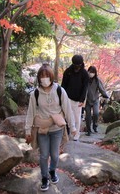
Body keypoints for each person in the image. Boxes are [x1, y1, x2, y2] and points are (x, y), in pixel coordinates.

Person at [25, 64, 76, 192]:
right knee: (43, 156)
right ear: (39, 78)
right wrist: (27, 130)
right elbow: (30, 113)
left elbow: (68, 110)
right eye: (42, 77)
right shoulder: (35, 94)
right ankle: (44, 177)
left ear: (51, 77)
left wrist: (73, 126)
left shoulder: (60, 91)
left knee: (54, 155)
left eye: (47, 76)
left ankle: (52, 171)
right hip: (42, 129)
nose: (44, 79)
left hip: (56, 129)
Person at [61, 54, 89, 141]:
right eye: (75, 65)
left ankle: (77, 134)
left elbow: (85, 87)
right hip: (67, 98)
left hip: (78, 99)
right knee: (68, 116)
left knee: (77, 117)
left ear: (81, 64)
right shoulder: (68, 71)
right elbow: (63, 85)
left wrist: (82, 99)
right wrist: (62, 97)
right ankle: (68, 133)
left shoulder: (84, 73)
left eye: (78, 65)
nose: (77, 67)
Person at [84, 65, 109, 136]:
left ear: (95, 73)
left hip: (95, 100)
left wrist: (106, 96)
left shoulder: (97, 80)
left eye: (92, 72)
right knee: (88, 116)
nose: (91, 73)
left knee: (96, 113)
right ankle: (88, 130)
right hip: (87, 101)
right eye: (90, 72)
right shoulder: (85, 80)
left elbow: (101, 89)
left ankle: (95, 126)